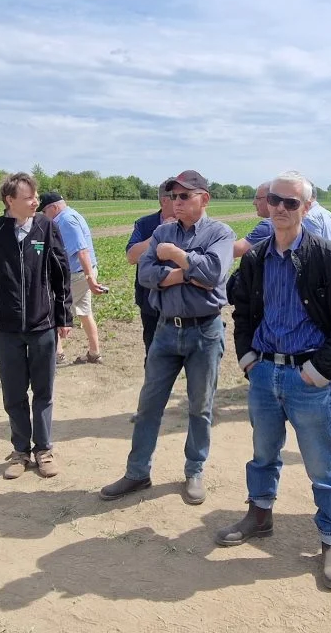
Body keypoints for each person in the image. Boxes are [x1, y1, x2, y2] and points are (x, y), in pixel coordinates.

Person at [217, 170, 331, 589]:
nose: (280, 209)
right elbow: (243, 310)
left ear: (308, 207)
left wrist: (319, 370)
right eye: (274, 201)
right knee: (263, 452)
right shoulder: (257, 257)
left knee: (322, 462)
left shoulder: (328, 258)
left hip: (309, 379)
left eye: (291, 203)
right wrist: (248, 357)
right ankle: (259, 513)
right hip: (264, 373)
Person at [99, 170, 235, 506]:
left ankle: (194, 470)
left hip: (204, 330)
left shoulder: (221, 233)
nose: (177, 202)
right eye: (173, 196)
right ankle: (137, 472)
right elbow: (144, 275)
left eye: (185, 196)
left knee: (200, 407)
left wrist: (173, 254)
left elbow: (214, 274)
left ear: (204, 198)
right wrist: (184, 273)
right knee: (148, 406)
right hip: (164, 329)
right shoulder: (161, 231)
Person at [0, 172, 72, 480]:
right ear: (9, 200)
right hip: (7, 328)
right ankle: (19, 452)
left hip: (42, 326)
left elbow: (61, 274)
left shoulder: (46, 226)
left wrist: (63, 317)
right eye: (28, 197)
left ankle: (43, 450)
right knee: (13, 393)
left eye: (35, 196)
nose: (35, 201)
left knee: (43, 391)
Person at [39, 192, 107, 365]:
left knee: (53, 310)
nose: (44, 216)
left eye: (44, 211)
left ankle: (57, 354)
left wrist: (89, 279)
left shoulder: (66, 221)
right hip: (83, 273)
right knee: (84, 312)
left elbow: (82, 251)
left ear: (53, 208)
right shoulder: (72, 215)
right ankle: (94, 352)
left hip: (76, 275)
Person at [127, 187, 177, 358]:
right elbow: (132, 256)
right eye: (177, 196)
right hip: (151, 302)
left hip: (183, 304)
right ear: (164, 200)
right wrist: (160, 232)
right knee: (154, 353)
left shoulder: (191, 224)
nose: (181, 201)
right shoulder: (145, 224)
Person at [233, 181, 274, 258]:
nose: (254, 202)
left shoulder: (269, 226)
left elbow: (234, 250)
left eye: (258, 198)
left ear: (271, 199)